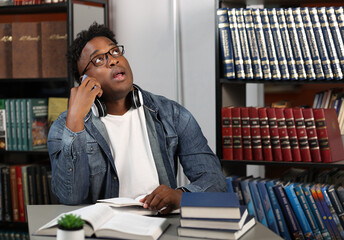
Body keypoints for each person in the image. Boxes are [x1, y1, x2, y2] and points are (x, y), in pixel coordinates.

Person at [47, 22, 227, 214]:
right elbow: (70, 197)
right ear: (84, 80)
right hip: (104, 227)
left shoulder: (172, 114)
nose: (113, 61)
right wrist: (75, 120)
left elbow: (216, 182)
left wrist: (181, 195)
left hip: (159, 225)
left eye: (115, 52)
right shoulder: (64, 128)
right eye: (99, 59)